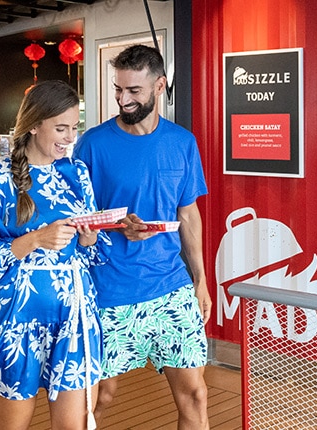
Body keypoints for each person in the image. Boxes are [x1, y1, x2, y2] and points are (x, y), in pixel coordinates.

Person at [0, 81, 106, 430]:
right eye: (61, 128)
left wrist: (89, 240)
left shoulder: (78, 174)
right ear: (34, 125)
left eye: (74, 128)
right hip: (16, 320)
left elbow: (91, 255)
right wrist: (35, 239)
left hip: (74, 316)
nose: (70, 138)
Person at [74, 44, 212, 429]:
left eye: (134, 90)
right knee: (99, 397)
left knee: (196, 394)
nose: (123, 99)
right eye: (119, 89)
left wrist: (201, 280)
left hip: (171, 286)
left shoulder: (182, 142)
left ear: (159, 86)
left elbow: (188, 214)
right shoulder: (93, 145)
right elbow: (74, 217)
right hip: (109, 289)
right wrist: (116, 224)